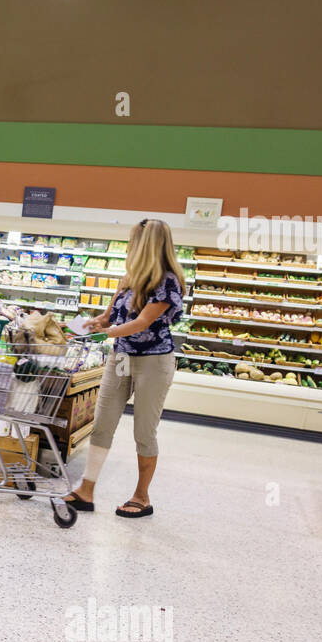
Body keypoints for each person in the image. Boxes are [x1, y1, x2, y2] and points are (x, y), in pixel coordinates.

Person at [64, 218, 186, 518]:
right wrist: (92, 324)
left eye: (134, 241)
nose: (129, 246)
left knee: (144, 431)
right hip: (121, 359)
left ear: (146, 246)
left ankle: (141, 496)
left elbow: (142, 322)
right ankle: (86, 490)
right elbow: (108, 317)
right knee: (102, 425)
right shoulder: (127, 278)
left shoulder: (167, 282)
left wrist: (106, 333)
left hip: (154, 363)